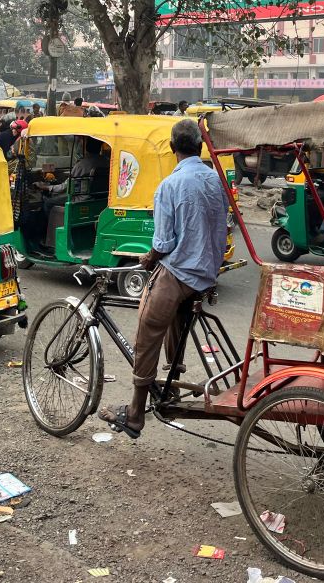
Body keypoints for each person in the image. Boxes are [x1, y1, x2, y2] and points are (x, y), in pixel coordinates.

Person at [98, 118, 228, 439]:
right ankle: (171, 382)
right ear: (198, 147)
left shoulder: (170, 186)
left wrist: (148, 258)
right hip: (206, 275)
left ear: (173, 149)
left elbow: (163, 243)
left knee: (147, 326)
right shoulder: (215, 180)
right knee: (175, 321)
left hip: (181, 272)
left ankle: (135, 413)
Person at [34, 138, 108, 218]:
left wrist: (46, 187)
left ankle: (49, 229)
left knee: (48, 203)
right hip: (102, 199)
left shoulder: (82, 165)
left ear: (86, 147)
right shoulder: (107, 162)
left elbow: (66, 187)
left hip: (82, 199)